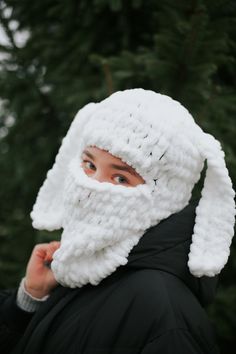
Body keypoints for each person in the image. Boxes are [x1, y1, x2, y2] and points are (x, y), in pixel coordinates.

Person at [0, 88, 235, 354]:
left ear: (164, 196)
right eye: (89, 165)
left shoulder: (165, 316)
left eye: (120, 178)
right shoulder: (82, 271)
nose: (90, 187)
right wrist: (29, 299)